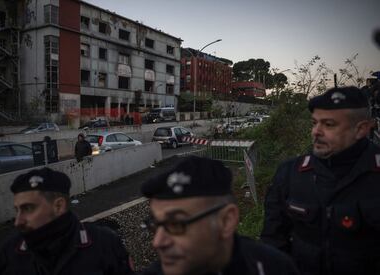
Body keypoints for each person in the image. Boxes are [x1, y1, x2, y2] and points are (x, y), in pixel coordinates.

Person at [261, 86, 380, 275]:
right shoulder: (290, 173)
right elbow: (273, 241)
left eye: (329, 124)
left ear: (361, 129)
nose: (316, 132)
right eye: (314, 123)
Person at [141, 156, 299, 275]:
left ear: (227, 220)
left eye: (175, 224)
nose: (158, 242)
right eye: (155, 224)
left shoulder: (274, 267)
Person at [0, 167, 134, 275]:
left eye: (28, 208)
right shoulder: (10, 251)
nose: (18, 221)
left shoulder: (104, 244)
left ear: (58, 206)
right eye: (17, 210)